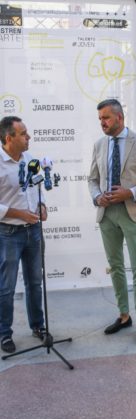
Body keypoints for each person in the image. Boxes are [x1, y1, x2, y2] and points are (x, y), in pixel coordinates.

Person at [88, 99, 136, 343]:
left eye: (106, 118)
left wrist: (129, 192)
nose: (102, 123)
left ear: (119, 117)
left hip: (133, 212)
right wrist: (97, 197)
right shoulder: (99, 145)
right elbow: (92, 179)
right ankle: (123, 316)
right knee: (116, 266)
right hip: (107, 214)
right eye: (100, 119)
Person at [0, 116, 47, 354]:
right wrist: (18, 213)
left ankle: (38, 326)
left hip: (34, 231)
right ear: (9, 138)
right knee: (6, 287)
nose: (29, 137)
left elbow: (38, 189)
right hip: (8, 233)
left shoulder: (30, 159)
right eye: (23, 134)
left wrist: (42, 205)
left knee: (35, 283)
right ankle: (4, 333)